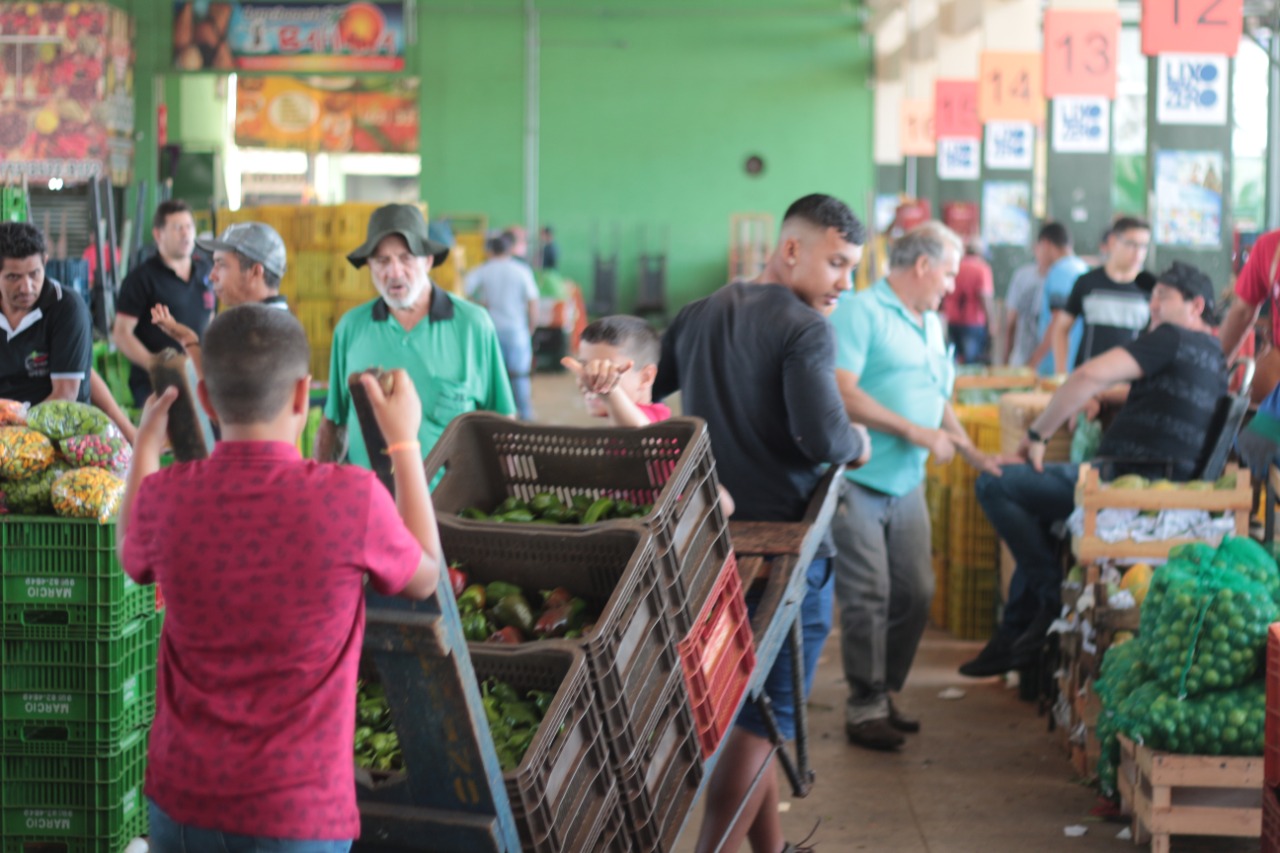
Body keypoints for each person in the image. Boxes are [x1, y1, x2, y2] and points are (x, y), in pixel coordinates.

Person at [118, 304, 441, 852]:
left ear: (204, 400)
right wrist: (403, 443)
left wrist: (146, 446)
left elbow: (131, 552)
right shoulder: (352, 498)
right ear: (302, 396)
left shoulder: (167, 495)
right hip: (296, 814)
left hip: (181, 805)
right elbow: (425, 575)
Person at [655, 193, 869, 853]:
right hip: (787, 556)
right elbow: (821, 433)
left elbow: (650, 392)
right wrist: (856, 438)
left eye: (853, 267)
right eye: (837, 263)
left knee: (749, 708)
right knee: (757, 719)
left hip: (713, 548)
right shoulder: (805, 328)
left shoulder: (697, 314)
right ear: (792, 248)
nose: (845, 282)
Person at [961, 261, 1226, 677]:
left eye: (1164, 296)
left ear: (1196, 306)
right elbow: (1150, 392)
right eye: (1151, 295)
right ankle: (1016, 638)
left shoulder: (1172, 338)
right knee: (1039, 515)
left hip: (1127, 487)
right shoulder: (1209, 351)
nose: (1152, 304)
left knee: (997, 485)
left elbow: (1086, 374)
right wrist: (1107, 400)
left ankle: (1053, 598)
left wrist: (1038, 435)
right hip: (1150, 482)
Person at [829, 222, 1002, 751]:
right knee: (869, 594)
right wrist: (915, 432)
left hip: (906, 482)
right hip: (858, 479)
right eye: (948, 273)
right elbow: (842, 393)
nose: (954, 285)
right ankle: (864, 707)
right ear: (922, 266)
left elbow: (933, 393)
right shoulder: (861, 312)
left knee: (916, 592)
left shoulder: (930, 323)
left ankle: (883, 690)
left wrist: (966, 445)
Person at [315, 204, 515, 469]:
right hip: (372, 503)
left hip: (449, 504)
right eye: (382, 261)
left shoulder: (473, 326)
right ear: (369, 266)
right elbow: (334, 421)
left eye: (406, 258)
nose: (394, 272)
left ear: (428, 261)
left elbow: (502, 421)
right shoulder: (350, 328)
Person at [150, 221, 291, 379]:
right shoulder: (261, 323)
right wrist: (187, 339)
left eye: (221, 265)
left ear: (255, 272)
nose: (212, 275)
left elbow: (217, 397)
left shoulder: (265, 333)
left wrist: (188, 340)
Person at [112, 199, 214, 406]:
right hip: (156, 385)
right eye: (177, 228)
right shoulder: (142, 278)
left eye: (189, 227)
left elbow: (210, 320)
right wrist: (153, 365)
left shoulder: (207, 271)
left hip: (200, 377)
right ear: (158, 234)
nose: (185, 233)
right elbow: (121, 333)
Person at [1040, 216, 1152, 376]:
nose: (1138, 253)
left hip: (1130, 389)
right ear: (1113, 241)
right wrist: (1061, 374)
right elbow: (1061, 328)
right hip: (1088, 385)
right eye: (1132, 244)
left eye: (1143, 246)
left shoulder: (1150, 289)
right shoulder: (1087, 283)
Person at [0, 221, 93, 406]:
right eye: (13, 277)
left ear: (45, 263)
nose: (26, 288)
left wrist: (15, 426)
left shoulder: (67, 309)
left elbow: (65, 395)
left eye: (34, 274)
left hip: (56, 427)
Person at [465, 231, 539, 420]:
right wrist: (532, 326)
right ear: (510, 250)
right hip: (517, 331)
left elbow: (464, 290)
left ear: (490, 250)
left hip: (491, 330)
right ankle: (525, 418)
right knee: (520, 377)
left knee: (493, 378)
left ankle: (496, 420)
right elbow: (532, 302)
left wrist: (478, 303)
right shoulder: (521, 270)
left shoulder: (484, 270)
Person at [1026, 222, 1089, 376]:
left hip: (1056, 365)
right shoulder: (1082, 267)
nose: (1037, 256)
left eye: (1037, 249)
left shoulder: (1061, 271)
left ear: (1046, 244)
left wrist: (1034, 360)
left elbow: (1057, 321)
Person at [941, 240, 994, 364]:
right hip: (973, 323)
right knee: (972, 363)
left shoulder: (956, 265)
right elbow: (985, 297)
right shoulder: (982, 268)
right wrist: (991, 323)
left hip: (952, 320)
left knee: (954, 359)